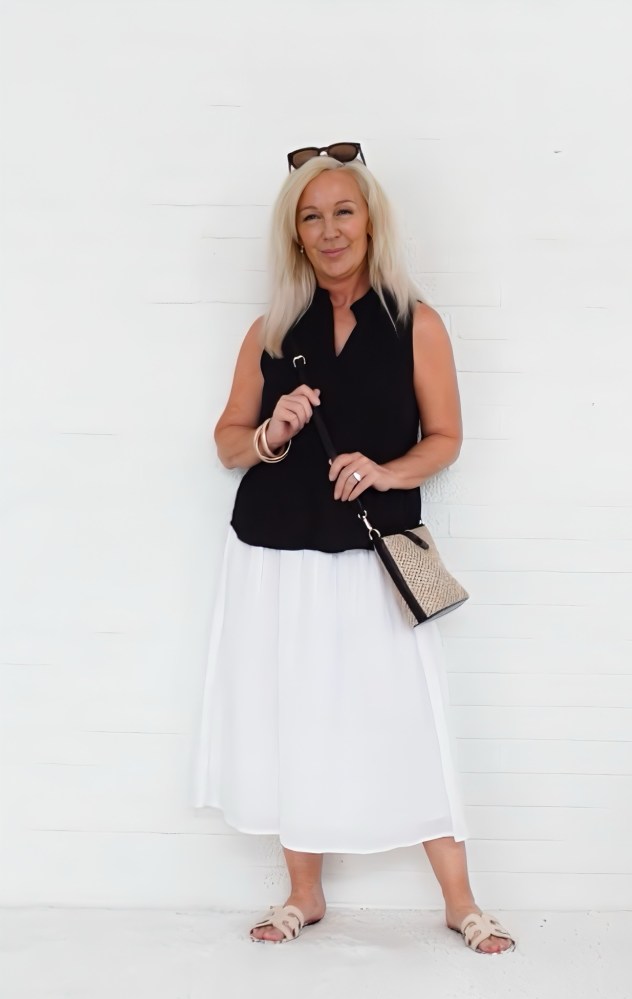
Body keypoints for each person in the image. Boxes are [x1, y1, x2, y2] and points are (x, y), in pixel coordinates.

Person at [191, 143, 516, 955]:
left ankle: (460, 900)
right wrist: (271, 434)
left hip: (371, 554)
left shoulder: (417, 322)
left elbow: (446, 439)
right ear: (294, 234)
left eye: (343, 211)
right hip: (276, 550)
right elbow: (227, 440)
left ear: (371, 221)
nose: (329, 229)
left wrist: (383, 467)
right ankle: (304, 893)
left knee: (408, 713)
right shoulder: (271, 330)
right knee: (291, 711)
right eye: (310, 216)